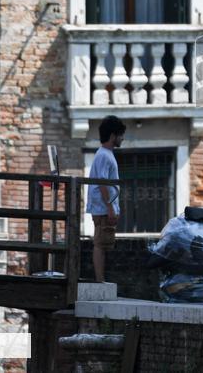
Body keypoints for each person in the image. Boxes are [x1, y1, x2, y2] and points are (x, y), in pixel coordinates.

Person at [88, 115, 124, 283]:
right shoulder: (104, 155)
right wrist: (110, 207)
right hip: (102, 208)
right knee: (100, 244)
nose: (122, 138)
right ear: (113, 135)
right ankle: (99, 280)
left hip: (105, 207)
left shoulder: (106, 154)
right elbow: (102, 182)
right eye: (120, 135)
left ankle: (100, 280)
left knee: (103, 243)